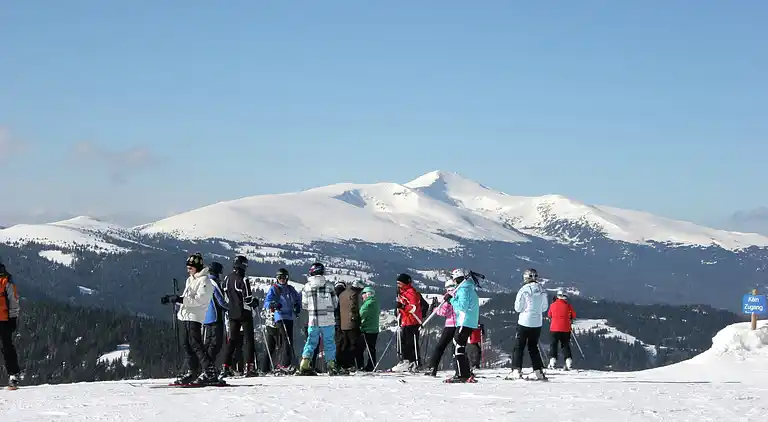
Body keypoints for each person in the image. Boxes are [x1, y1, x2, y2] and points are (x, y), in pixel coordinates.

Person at [161, 253, 217, 385]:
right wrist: (172, 298)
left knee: (196, 344)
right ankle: (193, 371)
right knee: (186, 344)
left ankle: (210, 372)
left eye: (191, 267)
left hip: (195, 316)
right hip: (185, 315)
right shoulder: (190, 280)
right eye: (188, 267)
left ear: (197, 267)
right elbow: (187, 297)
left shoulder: (205, 281)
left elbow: (199, 300)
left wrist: (180, 299)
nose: (188, 269)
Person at [297, 262, 345, 376]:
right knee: (329, 343)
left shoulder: (306, 287)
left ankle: (304, 363)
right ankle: (331, 365)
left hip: (313, 320)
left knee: (311, 342)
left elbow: (304, 304)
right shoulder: (329, 286)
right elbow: (335, 304)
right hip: (328, 320)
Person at [507, 268, 549, 381]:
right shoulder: (542, 290)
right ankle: (538, 371)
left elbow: (517, 308)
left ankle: (516, 370)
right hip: (537, 322)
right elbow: (545, 307)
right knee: (533, 347)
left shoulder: (524, 290)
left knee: (519, 346)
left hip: (524, 321)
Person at [220, 255, 258, 378]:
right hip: (244, 312)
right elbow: (247, 299)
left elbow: (225, 294)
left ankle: (225, 366)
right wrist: (254, 302)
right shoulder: (243, 279)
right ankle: (249, 367)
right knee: (248, 340)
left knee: (232, 340)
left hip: (232, 313)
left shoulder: (227, 278)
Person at [442, 268, 480, 383]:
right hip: (468, 321)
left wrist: (451, 300)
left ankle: (461, 374)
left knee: (458, 347)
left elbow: (462, 306)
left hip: (465, 321)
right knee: (460, 346)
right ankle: (465, 372)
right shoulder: (468, 288)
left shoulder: (464, 290)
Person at [263, 268, 301, 372]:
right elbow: (267, 302)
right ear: (277, 278)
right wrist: (273, 304)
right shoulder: (274, 289)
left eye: (284, 278)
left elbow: (298, 299)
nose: (282, 280)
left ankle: (285, 363)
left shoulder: (290, 289)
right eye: (280, 278)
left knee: (289, 340)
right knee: (285, 340)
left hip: (289, 317)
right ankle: (284, 364)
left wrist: (297, 307)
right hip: (279, 317)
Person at [424, 279, 458, 377]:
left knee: (440, 347)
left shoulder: (447, 296)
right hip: (460, 324)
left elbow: (443, 312)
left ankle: (432, 367)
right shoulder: (459, 294)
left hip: (450, 325)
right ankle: (461, 369)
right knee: (457, 348)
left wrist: (434, 308)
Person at [392, 273, 422, 372]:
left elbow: (414, 308)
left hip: (412, 321)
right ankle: (406, 361)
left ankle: (413, 362)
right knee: (404, 343)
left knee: (410, 343)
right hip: (405, 321)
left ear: (405, 283)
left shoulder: (411, 292)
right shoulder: (402, 293)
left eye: (400, 283)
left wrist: (402, 307)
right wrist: (398, 310)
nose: (398, 285)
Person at [203, 261, 228, 372]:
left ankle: (204, 367)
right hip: (215, 316)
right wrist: (230, 309)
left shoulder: (205, 281)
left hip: (206, 316)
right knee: (216, 344)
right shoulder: (213, 282)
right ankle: (208, 368)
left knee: (208, 344)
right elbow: (221, 300)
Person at [0, 261, 20, 389]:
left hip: (4, 319)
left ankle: (13, 375)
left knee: (7, 347)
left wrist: (13, 318)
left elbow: (13, 300)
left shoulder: (5, 280)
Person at [338, 280, 365, 370]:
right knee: (354, 345)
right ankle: (352, 364)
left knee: (344, 344)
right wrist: (357, 319)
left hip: (343, 324)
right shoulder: (354, 294)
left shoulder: (342, 294)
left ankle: (343, 364)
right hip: (352, 324)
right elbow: (354, 308)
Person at [548, 289, 576, 370]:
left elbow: (549, 315)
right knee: (565, 345)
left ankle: (552, 362)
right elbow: (573, 315)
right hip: (566, 328)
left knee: (553, 345)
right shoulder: (568, 306)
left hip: (554, 328)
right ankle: (568, 362)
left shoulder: (552, 305)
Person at [359, 285, 380, 372]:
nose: (362, 297)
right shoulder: (376, 303)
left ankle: (361, 365)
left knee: (360, 348)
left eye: (363, 294)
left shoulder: (367, 304)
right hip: (374, 329)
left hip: (366, 329)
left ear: (367, 294)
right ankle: (371, 365)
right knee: (372, 348)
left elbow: (361, 315)